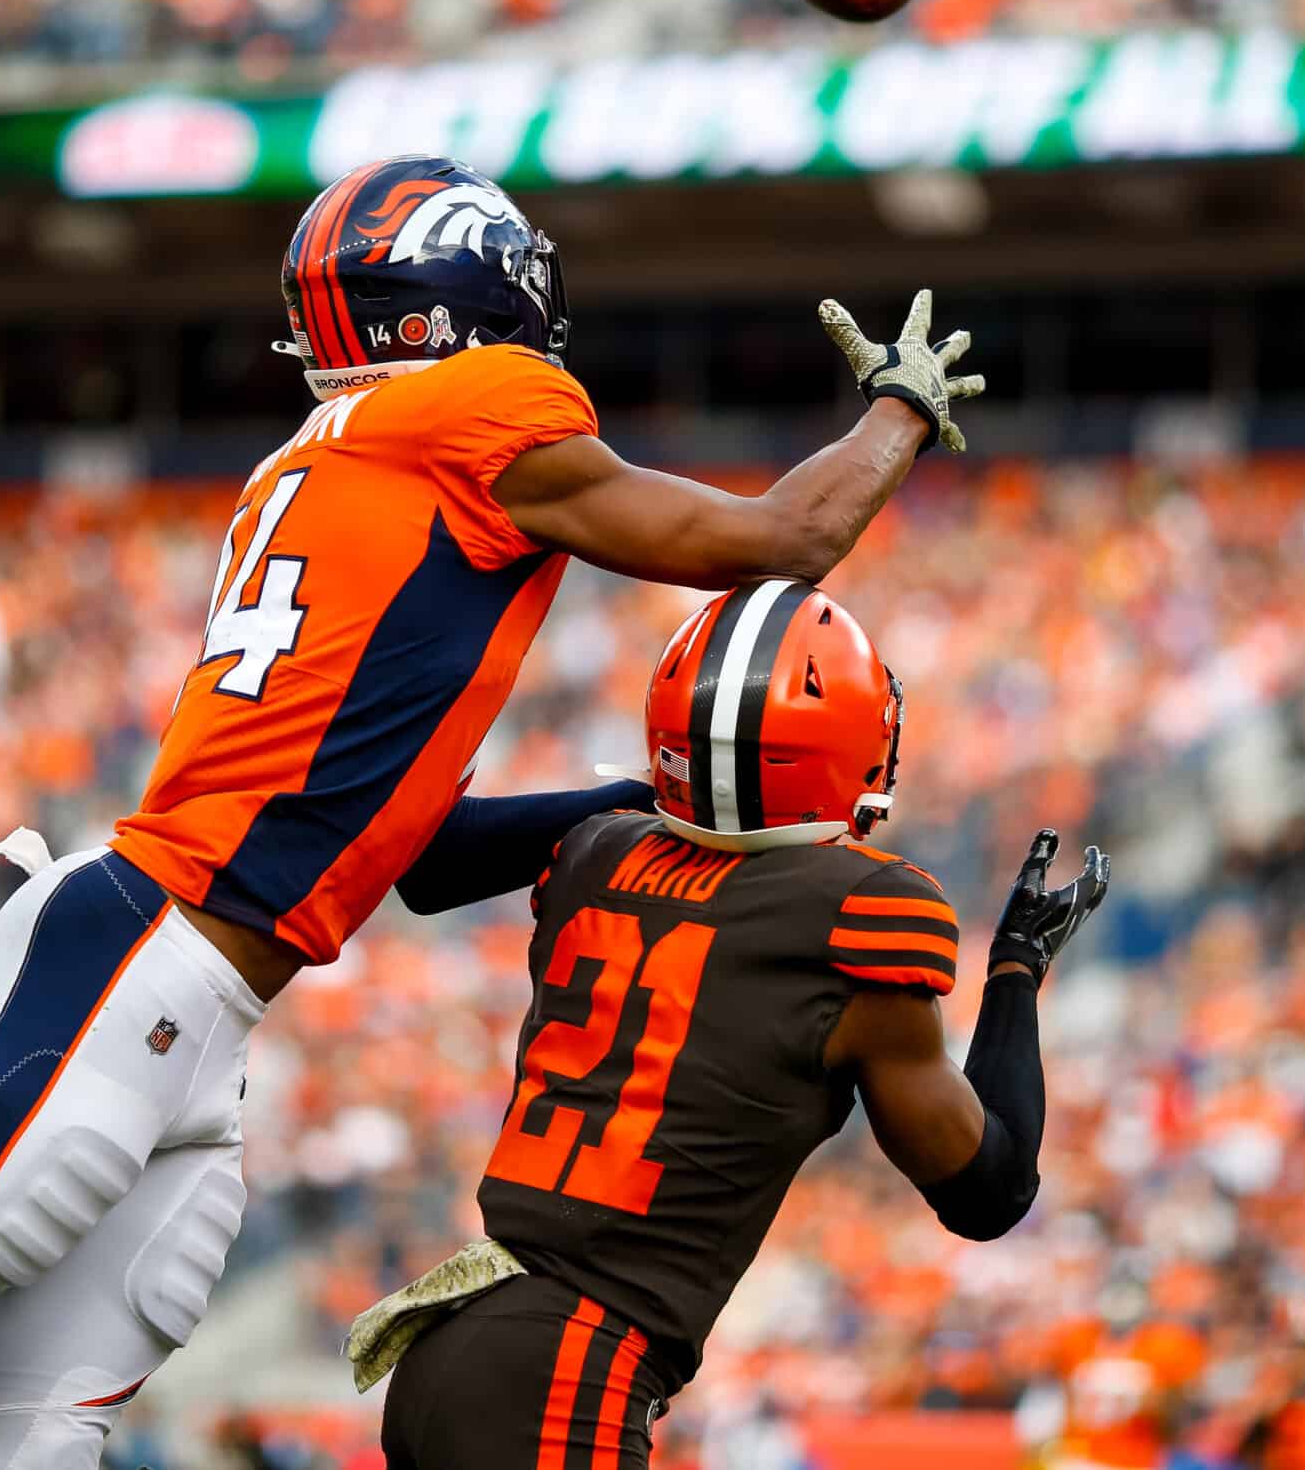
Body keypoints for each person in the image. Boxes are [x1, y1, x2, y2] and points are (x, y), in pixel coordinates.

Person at [0, 154, 984, 1470]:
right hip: (138, 961)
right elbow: (781, 536)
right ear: (459, 303)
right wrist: (899, 413)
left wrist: (650, 807)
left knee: (35, 1441)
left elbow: (424, 852)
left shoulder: (323, 464)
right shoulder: (481, 407)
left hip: (185, 998)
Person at [353, 580, 1108, 1470]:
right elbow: (992, 1190)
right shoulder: (855, 917)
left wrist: (679, 783)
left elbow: (430, 861)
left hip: (464, 1335)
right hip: (566, 1376)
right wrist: (1017, 970)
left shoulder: (596, 847)